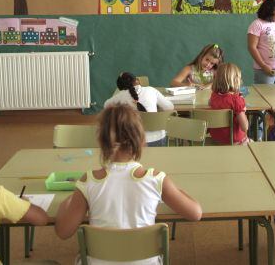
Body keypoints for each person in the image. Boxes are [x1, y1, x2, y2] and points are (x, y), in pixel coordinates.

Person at [55, 105, 202, 265]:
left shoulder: (88, 181)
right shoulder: (157, 180)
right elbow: (195, 213)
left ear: (101, 141)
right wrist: (177, 191)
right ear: (141, 140)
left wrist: (66, 203)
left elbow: (63, 231)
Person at [104, 72, 174, 147]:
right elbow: (169, 107)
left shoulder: (121, 96)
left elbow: (106, 106)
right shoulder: (151, 90)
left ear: (121, 88)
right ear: (137, 80)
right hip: (158, 138)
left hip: (133, 140)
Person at [209, 63, 250, 145]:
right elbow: (245, 127)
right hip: (235, 142)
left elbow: (211, 103)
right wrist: (243, 110)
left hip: (217, 140)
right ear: (236, 80)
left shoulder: (213, 96)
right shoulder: (236, 100)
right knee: (252, 143)